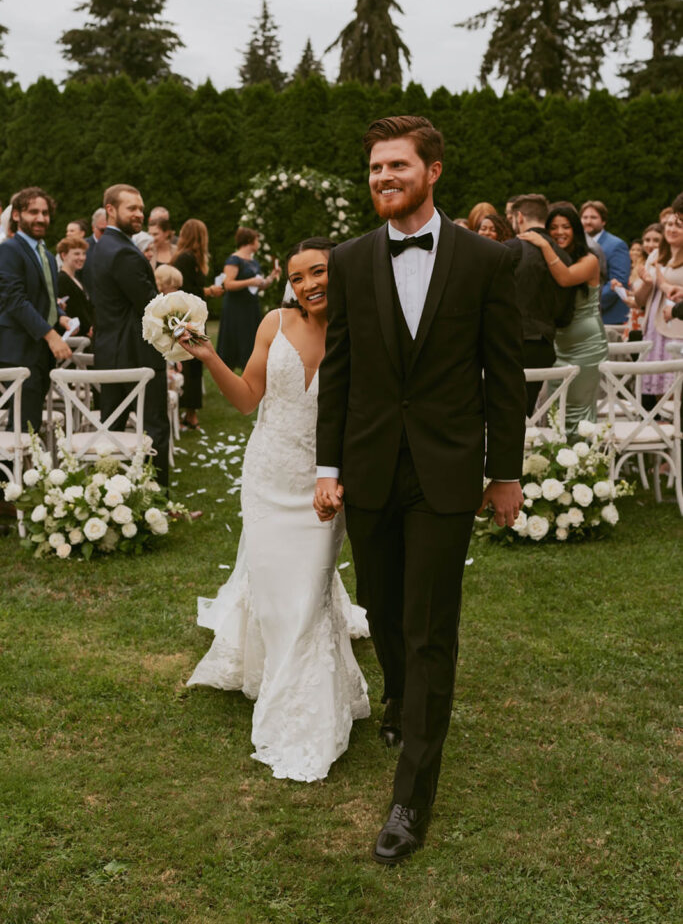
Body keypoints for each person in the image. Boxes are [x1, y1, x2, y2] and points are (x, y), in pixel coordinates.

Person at [314, 115, 526, 864]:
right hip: (370, 467)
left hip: (445, 468)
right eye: (375, 167)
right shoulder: (348, 260)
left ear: (432, 170)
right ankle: (401, 696)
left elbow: (503, 374)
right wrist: (328, 467)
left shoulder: (487, 261)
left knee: (431, 623)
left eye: (397, 165)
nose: (383, 177)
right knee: (383, 605)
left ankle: (411, 796)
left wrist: (505, 471)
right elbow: (339, 369)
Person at [183, 237, 370, 782]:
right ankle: (277, 679)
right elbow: (247, 398)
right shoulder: (275, 323)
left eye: (319, 272)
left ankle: (306, 709)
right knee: (273, 594)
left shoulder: (362, 330)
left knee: (309, 595)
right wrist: (208, 356)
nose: (309, 284)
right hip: (268, 478)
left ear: (341, 272)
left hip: (324, 484)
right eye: (298, 277)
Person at [92, 184, 170, 487]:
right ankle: (158, 501)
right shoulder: (124, 252)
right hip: (137, 353)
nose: (139, 214)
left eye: (141, 208)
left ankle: (111, 498)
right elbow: (150, 305)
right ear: (111, 210)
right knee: (154, 428)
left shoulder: (102, 247)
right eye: (131, 208)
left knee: (112, 431)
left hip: (111, 352)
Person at [520, 205, 608, 438]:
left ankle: (584, 458)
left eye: (566, 227)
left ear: (575, 230)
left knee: (578, 409)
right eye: (554, 227)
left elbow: (566, 278)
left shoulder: (590, 259)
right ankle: (558, 457)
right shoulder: (550, 258)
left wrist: (543, 244)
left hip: (586, 344)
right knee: (556, 410)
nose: (560, 232)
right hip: (558, 343)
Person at [0, 187, 71, 430]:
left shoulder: (47, 255)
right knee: (24, 424)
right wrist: (51, 336)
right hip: (17, 350)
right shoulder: (8, 250)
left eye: (45, 213)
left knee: (29, 423)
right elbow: (15, 300)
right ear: (17, 215)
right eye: (33, 212)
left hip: (40, 351)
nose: (41, 218)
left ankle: (25, 456)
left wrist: (61, 317)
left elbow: (45, 297)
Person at [506, 194, 575, 417]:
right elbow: (566, 316)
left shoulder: (511, 249)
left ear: (518, 217)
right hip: (544, 345)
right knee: (527, 414)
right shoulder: (564, 256)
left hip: (510, 342)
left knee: (504, 412)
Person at [171, 218, 222, 430]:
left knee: (194, 364)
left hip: (194, 317)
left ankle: (190, 413)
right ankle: (187, 413)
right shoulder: (185, 258)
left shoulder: (191, 258)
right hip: (186, 318)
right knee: (189, 364)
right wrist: (208, 291)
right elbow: (185, 290)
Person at [632, 212, 683, 400]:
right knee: (658, 390)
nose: (671, 229)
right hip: (654, 327)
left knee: (676, 389)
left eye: (678, 225)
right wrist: (646, 284)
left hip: (678, 329)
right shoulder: (655, 254)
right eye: (669, 224)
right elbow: (639, 301)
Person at [216, 227, 279, 370]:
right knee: (234, 342)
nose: (259, 243)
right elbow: (228, 284)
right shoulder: (234, 259)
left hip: (251, 307)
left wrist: (271, 277)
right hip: (236, 308)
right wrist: (250, 281)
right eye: (257, 240)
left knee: (251, 341)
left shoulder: (254, 262)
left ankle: (250, 371)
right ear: (250, 241)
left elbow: (259, 286)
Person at [580, 200, 630, 325]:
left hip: (609, 317)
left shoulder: (616, 245)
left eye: (593, 217)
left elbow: (618, 281)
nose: (588, 221)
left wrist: (591, 304)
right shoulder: (578, 243)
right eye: (585, 217)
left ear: (603, 221)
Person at [56, 236, 94, 337]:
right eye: (76, 254)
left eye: (84, 254)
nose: (82, 258)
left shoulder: (76, 279)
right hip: (76, 337)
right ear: (64, 255)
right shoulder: (61, 280)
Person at [80, 207, 106, 302]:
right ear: (93, 228)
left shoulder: (119, 246)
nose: (106, 234)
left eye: (109, 230)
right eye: (102, 230)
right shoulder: (82, 248)